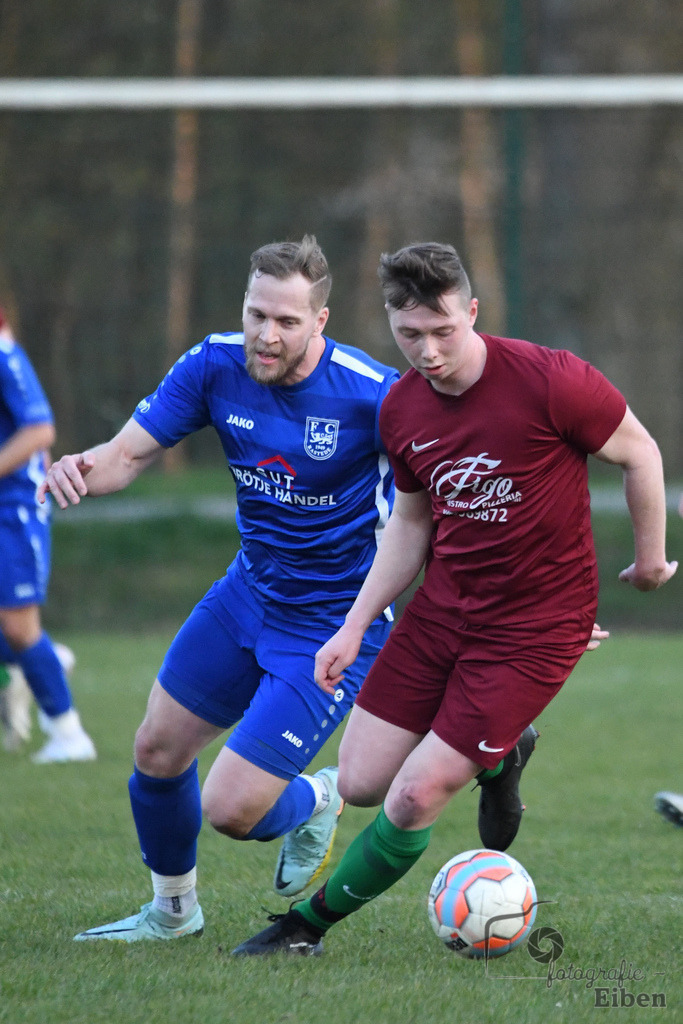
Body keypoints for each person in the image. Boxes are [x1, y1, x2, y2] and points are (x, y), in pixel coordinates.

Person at [232, 241, 677, 956]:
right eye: (410, 335)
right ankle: (501, 756)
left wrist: (649, 561)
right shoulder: (402, 407)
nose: (428, 351)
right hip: (443, 612)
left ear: (471, 312)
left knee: (414, 796)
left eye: (443, 331)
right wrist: (350, 627)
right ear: (389, 323)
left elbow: (640, 451)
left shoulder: (549, 379)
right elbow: (408, 524)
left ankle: (302, 927)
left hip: (535, 629)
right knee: (360, 780)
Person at [38, 236, 400, 942]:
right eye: (255, 314)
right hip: (248, 594)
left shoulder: (374, 394)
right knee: (156, 751)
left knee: (232, 811)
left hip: (334, 625)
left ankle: (316, 800)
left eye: (286, 322)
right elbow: (126, 456)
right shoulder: (213, 363)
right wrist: (81, 469)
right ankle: (173, 914)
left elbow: (438, 507)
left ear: (319, 322)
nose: (265, 335)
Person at [0, 307, 95, 763]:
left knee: (19, 627)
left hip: (13, 509)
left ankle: (69, 736)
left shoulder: (3, 350)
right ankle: (42, 662)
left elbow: (39, 429)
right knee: (18, 633)